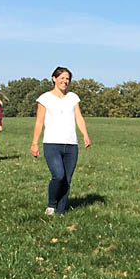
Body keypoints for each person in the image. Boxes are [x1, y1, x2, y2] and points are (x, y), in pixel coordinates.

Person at [30, 66, 91, 215]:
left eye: (67, 79)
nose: (65, 81)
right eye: (62, 78)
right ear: (54, 78)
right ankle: (52, 204)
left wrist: (85, 134)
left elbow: (79, 117)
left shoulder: (73, 97)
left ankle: (61, 212)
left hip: (71, 144)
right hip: (52, 143)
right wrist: (34, 143)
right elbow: (39, 121)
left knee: (67, 179)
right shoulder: (45, 98)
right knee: (59, 175)